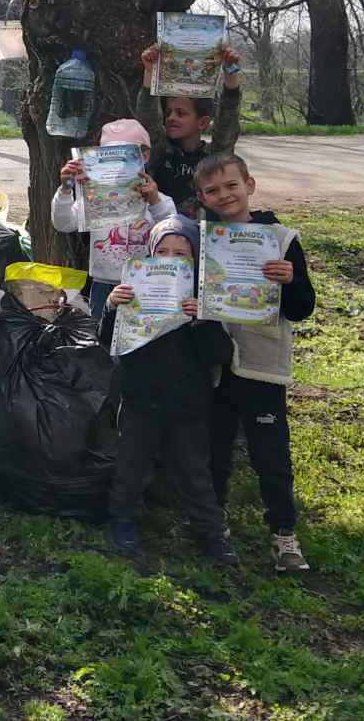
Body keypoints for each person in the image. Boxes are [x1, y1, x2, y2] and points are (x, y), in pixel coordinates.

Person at [194, 153, 316, 572]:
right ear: (201, 197)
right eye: (213, 190)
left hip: (263, 366)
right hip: (216, 367)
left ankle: (284, 534)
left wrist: (290, 280)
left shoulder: (281, 240)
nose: (224, 195)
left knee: (271, 454)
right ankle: (213, 526)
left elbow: (302, 308)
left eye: (231, 185)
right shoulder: (204, 241)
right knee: (216, 449)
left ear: (250, 185)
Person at [101, 217, 238, 566]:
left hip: (188, 404)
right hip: (139, 398)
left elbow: (221, 354)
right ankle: (122, 522)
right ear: (150, 253)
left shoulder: (205, 300)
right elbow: (108, 342)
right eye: (162, 251)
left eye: (182, 253)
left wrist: (202, 321)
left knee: (194, 471)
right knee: (130, 466)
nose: (172, 259)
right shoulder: (132, 290)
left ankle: (210, 532)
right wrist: (112, 308)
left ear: (196, 259)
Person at [52, 117, 176, 334]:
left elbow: (171, 229)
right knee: (102, 338)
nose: (117, 165)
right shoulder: (92, 200)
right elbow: (63, 224)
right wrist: (65, 189)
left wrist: (154, 201)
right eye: (107, 157)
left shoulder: (159, 200)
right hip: (103, 285)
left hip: (146, 284)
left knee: (142, 339)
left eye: (125, 156)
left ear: (144, 156)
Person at [136, 44, 243, 216]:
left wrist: (231, 71)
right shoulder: (160, 150)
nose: (171, 118)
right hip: (165, 237)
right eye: (169, 112)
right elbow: (148, 118)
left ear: (202, 123)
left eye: (181, 113)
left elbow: (227, 122)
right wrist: (150, 72)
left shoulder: (214, 157)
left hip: (204, 236)